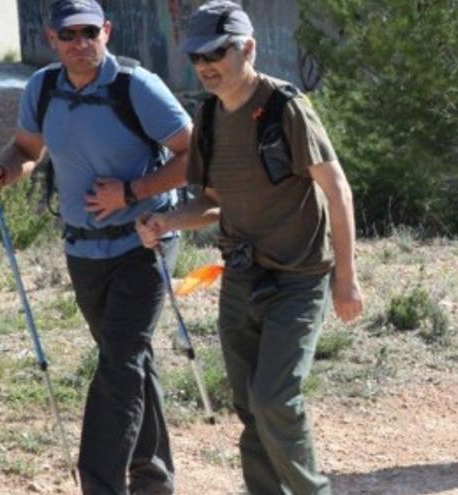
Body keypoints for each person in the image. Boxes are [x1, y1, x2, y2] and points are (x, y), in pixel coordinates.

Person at [135, 2, 364, 493]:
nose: (206, 64)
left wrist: (347, 278)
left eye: (218, 51)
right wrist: (167, 219)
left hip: (299, 277)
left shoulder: (285, 107)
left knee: (275, 399)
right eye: (197, 56)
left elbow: (336, 187)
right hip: (241, 276)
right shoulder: (210, 117)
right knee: (249, 407)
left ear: (248, 48)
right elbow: (213, 202)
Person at [0, 1, 192, 493]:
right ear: (52, 39)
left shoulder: (137, 87)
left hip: (145, 242)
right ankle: (153, 479)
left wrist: (132, 192)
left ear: (106, 32)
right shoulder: (43, 87)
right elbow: (28, 151)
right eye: (68, 34)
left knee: (119, 361)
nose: (79, 42)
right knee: (128, 358)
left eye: (88, 31)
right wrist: (3, 174)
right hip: (84, 252)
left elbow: (194, 153)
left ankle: (99, 484)